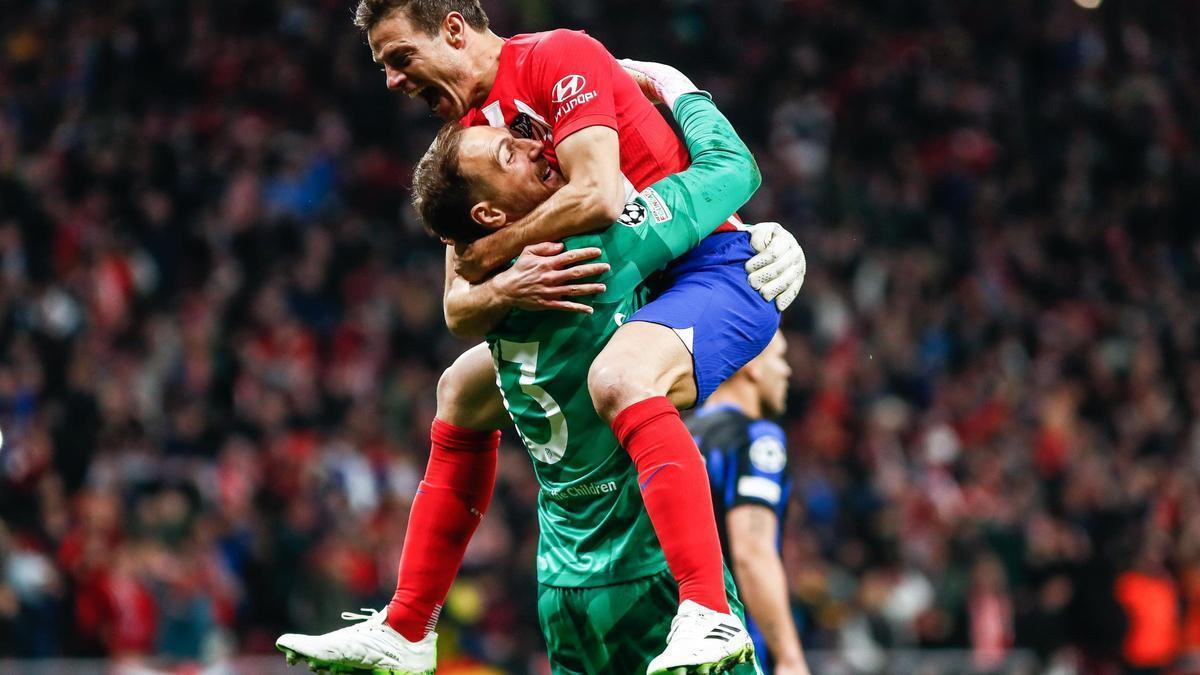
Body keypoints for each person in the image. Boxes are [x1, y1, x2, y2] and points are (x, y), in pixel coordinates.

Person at [279, 0, 804, 671]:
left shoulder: (556, 59)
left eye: (399, 58)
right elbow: (459, 305)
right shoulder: (465, 138)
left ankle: (708, 610)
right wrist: (504, 283)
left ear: (453, 29)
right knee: (461, 388)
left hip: (697, 259)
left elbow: (601, 197)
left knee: (619, 376)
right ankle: (407, 627)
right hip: (618, 279)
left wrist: (495, 248)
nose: (391, 80)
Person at [687, 332, 812, 675]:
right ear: (753, 364)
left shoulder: (681, 436)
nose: (786, 371)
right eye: (780, 357)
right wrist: (789, 655)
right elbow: (752, 551)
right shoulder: (758, 438)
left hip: (679, 638)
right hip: (735, 644)